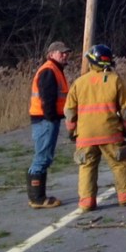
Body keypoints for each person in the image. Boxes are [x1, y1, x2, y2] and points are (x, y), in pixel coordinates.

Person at [64, 44, 126, 211]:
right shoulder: (116, 80)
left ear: (91, 62)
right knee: (120, 164)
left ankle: (86, 201)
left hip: (85, 135)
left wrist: (71, 131)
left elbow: (69, 112)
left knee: (87, 167)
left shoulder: (79, 83)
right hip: (111, 133)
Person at [27, 40, 72, 209]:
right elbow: (47, 99)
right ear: (51, 54)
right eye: (61, 52)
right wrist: (52, 117)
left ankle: (37, 197)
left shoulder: (54, 69)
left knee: (43, 157)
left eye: (66, 52)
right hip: (45, 120)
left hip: (46, 119)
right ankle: (37, 198)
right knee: (42, 158)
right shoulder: (48, 70)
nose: (65, 55)